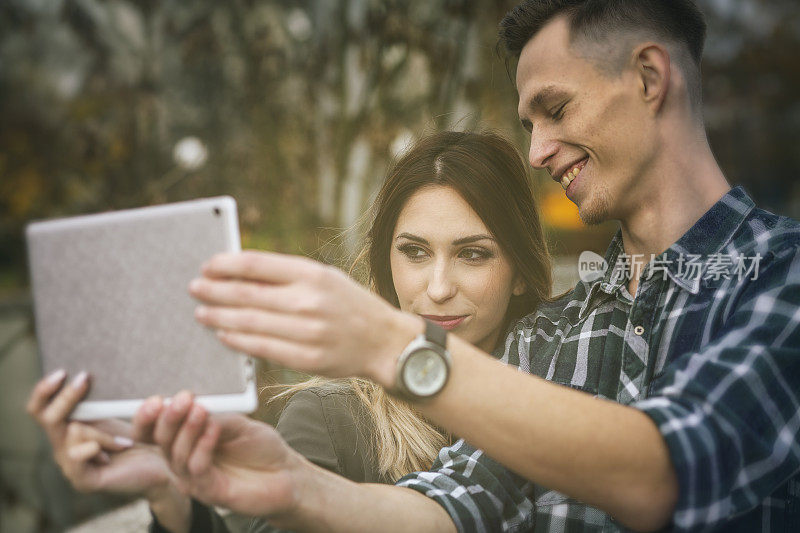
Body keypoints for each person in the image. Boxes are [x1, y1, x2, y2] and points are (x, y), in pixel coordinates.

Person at [120, 0, 799, 531]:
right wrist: (296, 488)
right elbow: (451, 505)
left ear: (650, 77)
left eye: (555, 110)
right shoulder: (549, 333)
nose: (537, 151)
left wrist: (389, 341)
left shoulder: (782, 278)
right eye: (528, 123)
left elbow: (666, 472)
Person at [26, 130, 555, 532]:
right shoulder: (331, 419)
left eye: (473, 254)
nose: (438, 288)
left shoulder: (577, 384)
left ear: (518, 273)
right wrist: (172, 498)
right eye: (414, 252)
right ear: (384, 262)